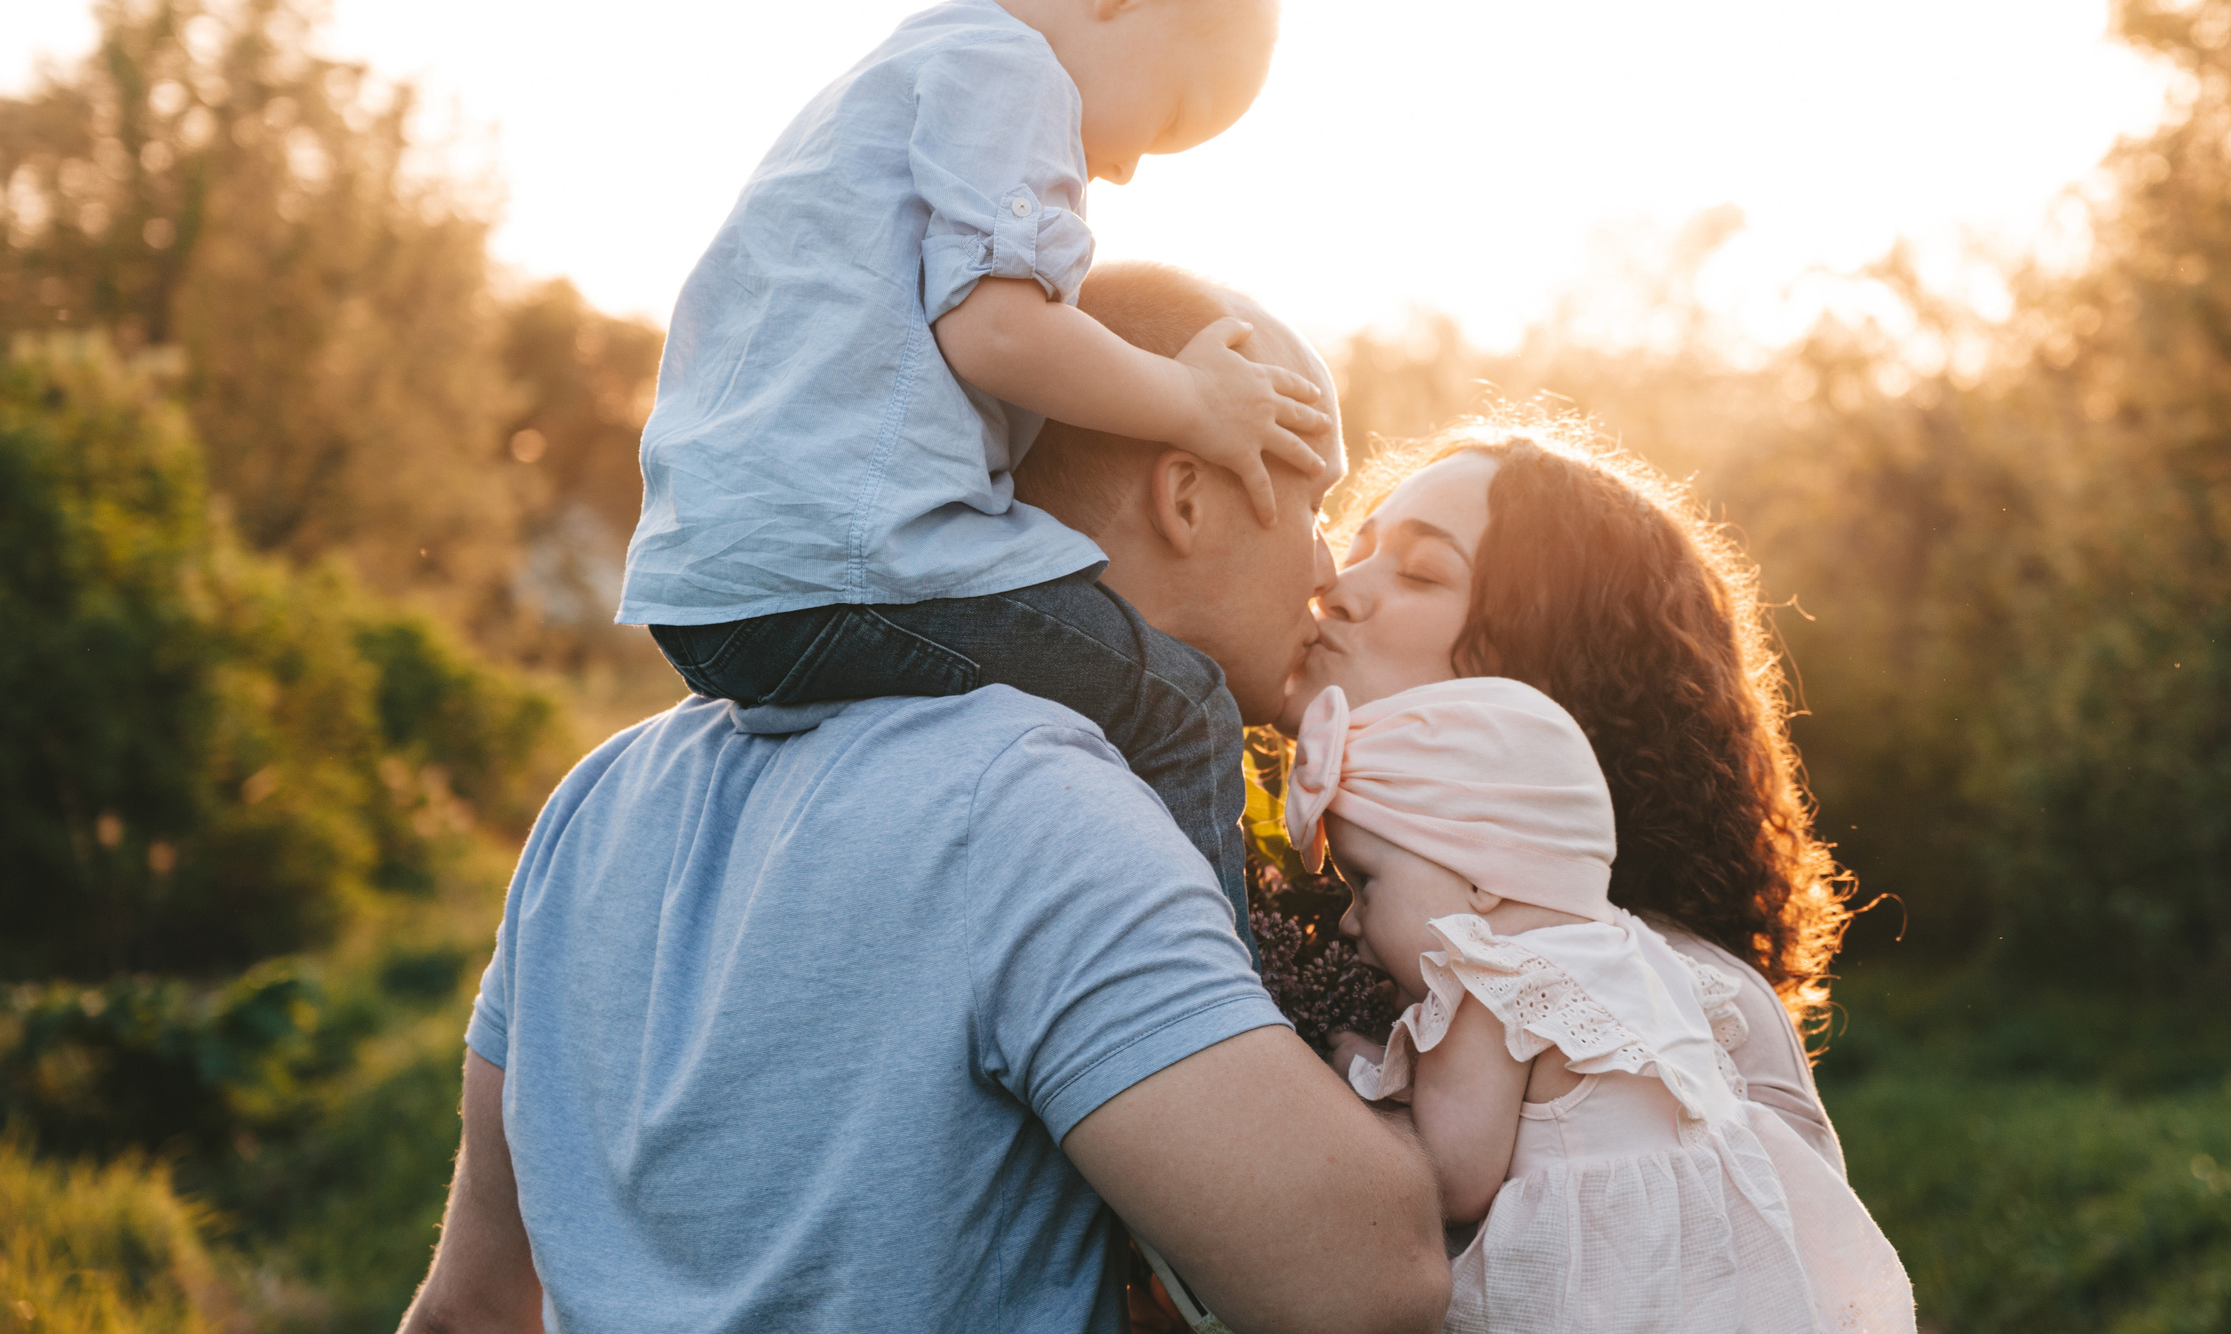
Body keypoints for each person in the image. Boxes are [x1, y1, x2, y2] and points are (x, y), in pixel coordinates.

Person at [396, 265, 1449, 1334]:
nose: (1329, 568)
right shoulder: (1035, 809)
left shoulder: (603, 793)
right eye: (1316, 504)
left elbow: (466, 1313)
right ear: (1186, 498)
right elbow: (1371, 1283)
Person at [619, 0, 1326, 945]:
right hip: (844, 567)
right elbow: (998, 333)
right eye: (1169, 118)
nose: (1126, 167)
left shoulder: (884, 84)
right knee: (1180, 704)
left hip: (714, 586)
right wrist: (1192, 402)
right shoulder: (1012, 73)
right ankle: (1216, 999)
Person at [1284, 416, 1867, 1180]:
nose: (1336, 589)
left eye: (1421, 573)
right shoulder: (1282, 898)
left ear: (1550, 680)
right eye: (1356, 550)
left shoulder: (1675, 1009)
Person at [1281, 676, 1915, 1332]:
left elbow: (1454, 1178)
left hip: (1601, 1296)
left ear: (1479, 879)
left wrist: (1359, 1076)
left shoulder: (1495, 983)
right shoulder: (1635, 951)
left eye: (1365, 883)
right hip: (1712, 1286)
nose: (1349, 921)